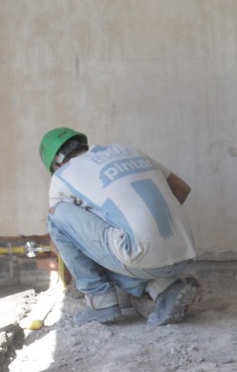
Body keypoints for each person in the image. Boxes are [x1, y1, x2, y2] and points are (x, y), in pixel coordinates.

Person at [38, 128, 201, 326]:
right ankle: (164, 288)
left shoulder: (62, 175)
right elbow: (182, 188)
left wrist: (85, 253)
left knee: (56, 217)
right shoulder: (128, 150)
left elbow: (60, 242)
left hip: (141, 257)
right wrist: (154, 231)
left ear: (56, 164)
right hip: (185, 250)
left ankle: (101, 302)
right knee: (122, 242)